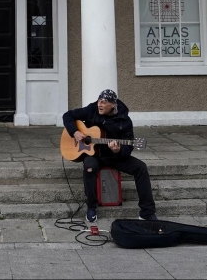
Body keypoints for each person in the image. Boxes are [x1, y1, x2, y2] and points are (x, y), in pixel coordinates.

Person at [62, 89, 157, 223]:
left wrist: (118, 150)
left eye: (104, 102)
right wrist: (75, 132)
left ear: (113, 104)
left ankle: (147, 212)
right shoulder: (92, 109)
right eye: (99, 101)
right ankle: (91, 207)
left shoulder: (124, 120)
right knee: (89, 168)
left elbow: (128, 147)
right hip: (94, 155)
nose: (100, 104)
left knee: (141, 167)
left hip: (114, 156)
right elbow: (68, 115)